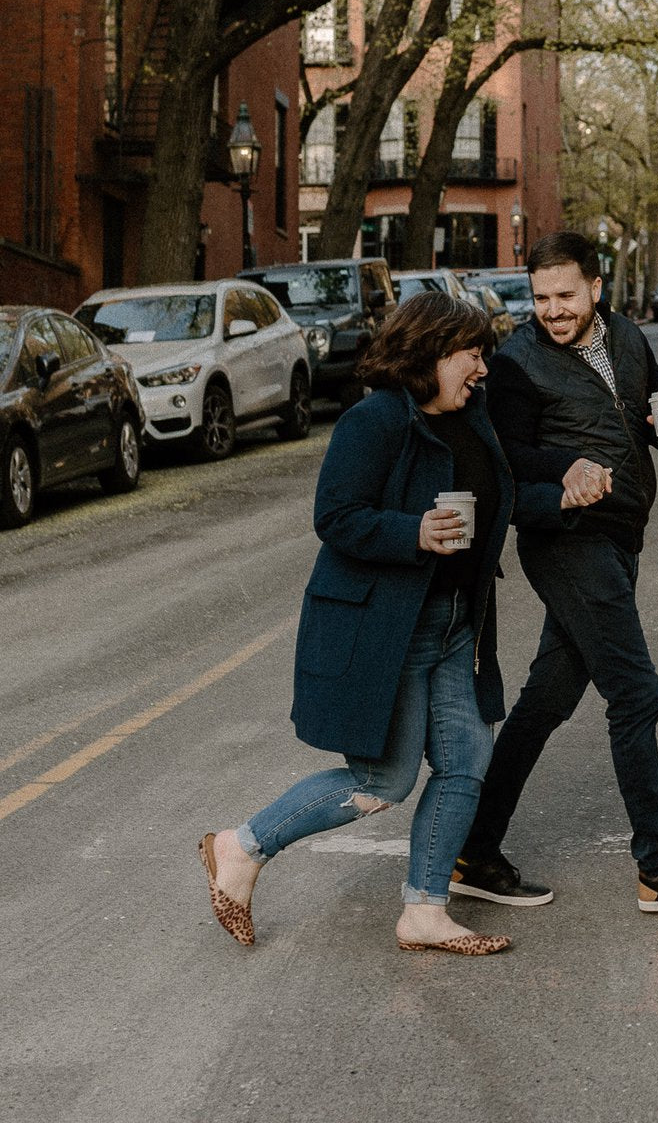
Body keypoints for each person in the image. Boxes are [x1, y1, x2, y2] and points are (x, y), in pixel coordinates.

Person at [199, 292, 564, 956]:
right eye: (471, 354)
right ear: (430, 353)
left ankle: (424, 911)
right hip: (390, 633)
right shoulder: (374, 422)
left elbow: (508, 489)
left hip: (458, 624)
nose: (482, 368)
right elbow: (335, 517)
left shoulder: (473, 414)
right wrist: (413, 531)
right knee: (383, 782)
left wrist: (568, 488)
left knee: (466, 760)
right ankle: (241, 845)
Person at [451, 232, 658, 915]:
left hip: (620, 538)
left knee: (547, 700)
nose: (552, 310)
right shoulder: (518, 365)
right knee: (636, 692)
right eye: (540, 298)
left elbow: (647, 411)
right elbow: (507, 458)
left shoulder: (626, 337)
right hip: (566, 539)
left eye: (564, 295)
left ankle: (473, 849)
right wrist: (564, 469)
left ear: (595, 288)